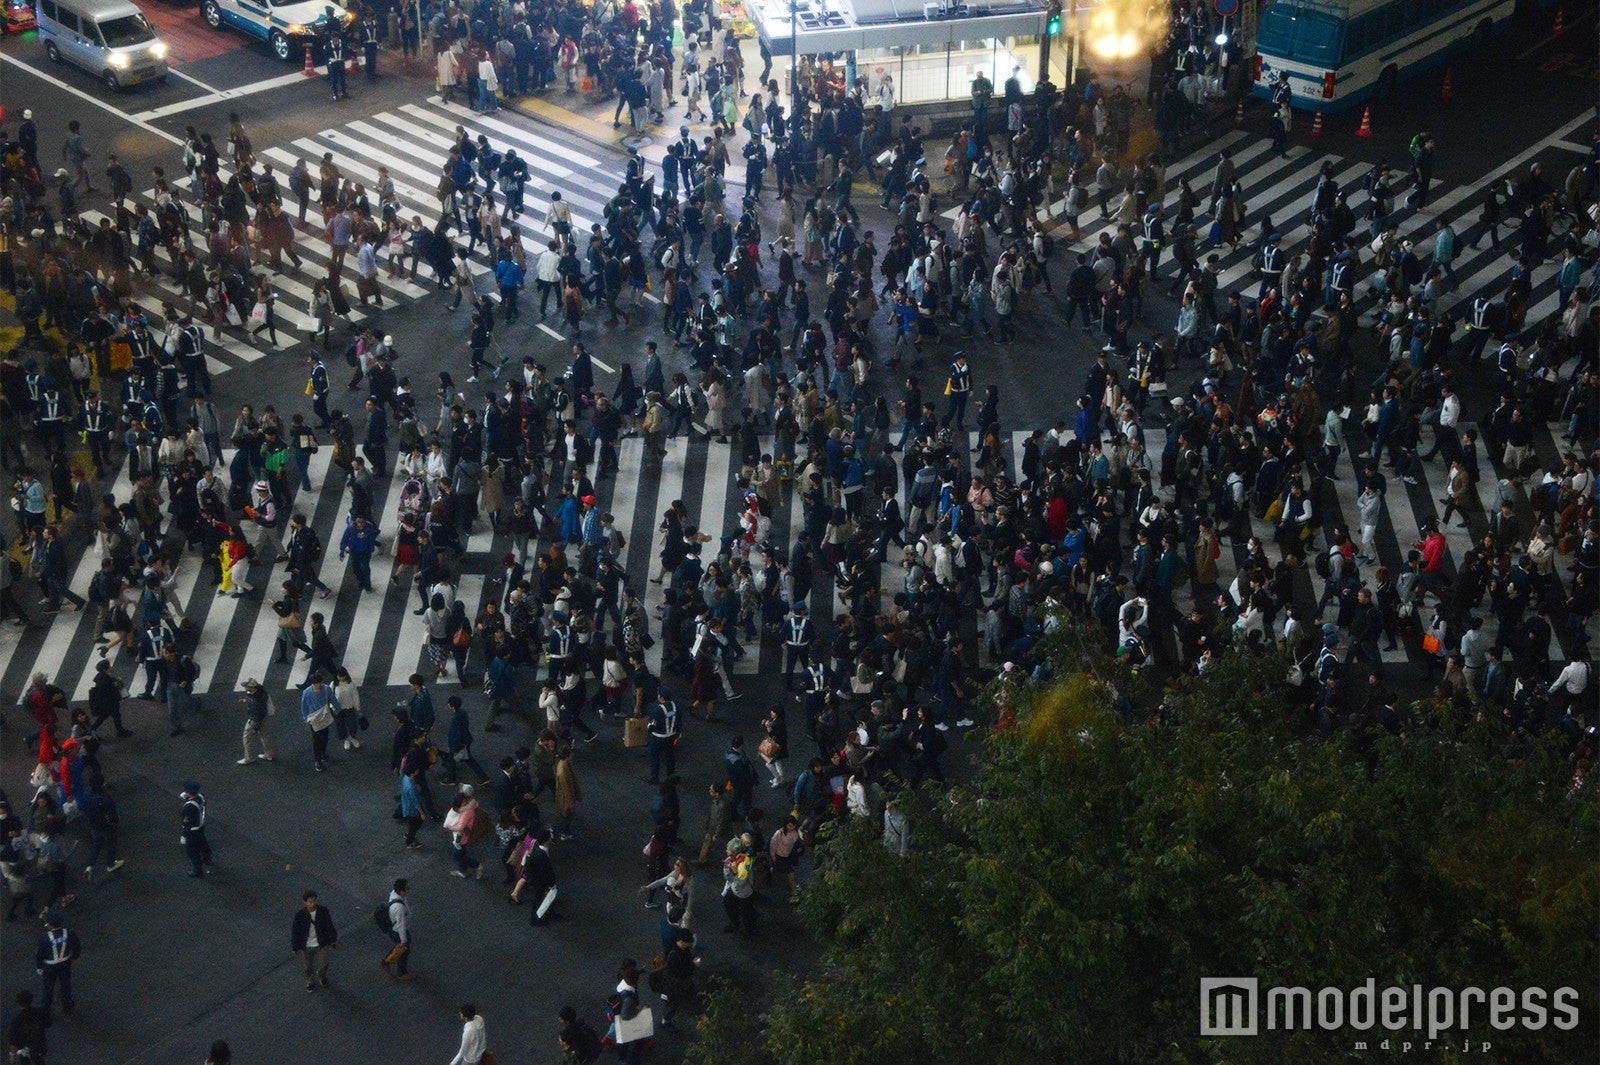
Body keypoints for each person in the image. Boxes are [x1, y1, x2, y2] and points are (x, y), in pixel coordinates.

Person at [35, 911, 80, 1019]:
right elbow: (77, 947)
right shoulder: (69, 933)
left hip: (50, 966)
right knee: (65, 985)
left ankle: (45, 1009)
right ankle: (67, 1004)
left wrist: (39, 967)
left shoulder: (44, 937)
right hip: (65, 963)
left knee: (48, 987)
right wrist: (73, 957)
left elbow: (40, 954)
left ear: (49, 924)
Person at [290, 890, 338, 992]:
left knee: (324, 963)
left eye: (314, 901)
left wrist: (333, 939)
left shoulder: (323, 911)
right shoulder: (300, 915)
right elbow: (295, 932)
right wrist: (295, 947)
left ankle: (321, 975)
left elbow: (329, 925)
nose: (312, 904)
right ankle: (309, 981)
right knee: (307, 966)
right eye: (309, 902)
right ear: (305, 902)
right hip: (306, 945)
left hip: (321, 942)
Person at [300, 672, 338, 772]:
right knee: (316, 740)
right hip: (315, 719)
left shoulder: (326, 689)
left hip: (324, 716)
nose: (317, 686)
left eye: (318, 683)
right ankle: (318, 759)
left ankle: (323, 753)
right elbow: (304, 706)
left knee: (325, 736)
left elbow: (332, 699)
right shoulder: (307, 692)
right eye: (315, 684)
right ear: (312, 683)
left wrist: (337, 708)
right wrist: (306, 718)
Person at [381, 878, 417, 980]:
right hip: (397, 930)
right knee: (404, 950)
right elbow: (401, 925)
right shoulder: (399, 908)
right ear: (402, 891)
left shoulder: (394, 894)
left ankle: (387, 960)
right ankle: (401, 973)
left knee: (401, 948)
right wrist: (403, 940)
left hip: (393, 927)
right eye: (407, 888)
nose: (409, 890)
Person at [180, 780, 212, 877]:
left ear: (188, 792)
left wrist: (184, 834)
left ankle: (197, 870)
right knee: (203, 844)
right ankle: (207, 859)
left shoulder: (188, 807)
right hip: (200, 827)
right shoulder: (201, 798)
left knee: (192, 851)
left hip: (192, 831)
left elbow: (186, 821)